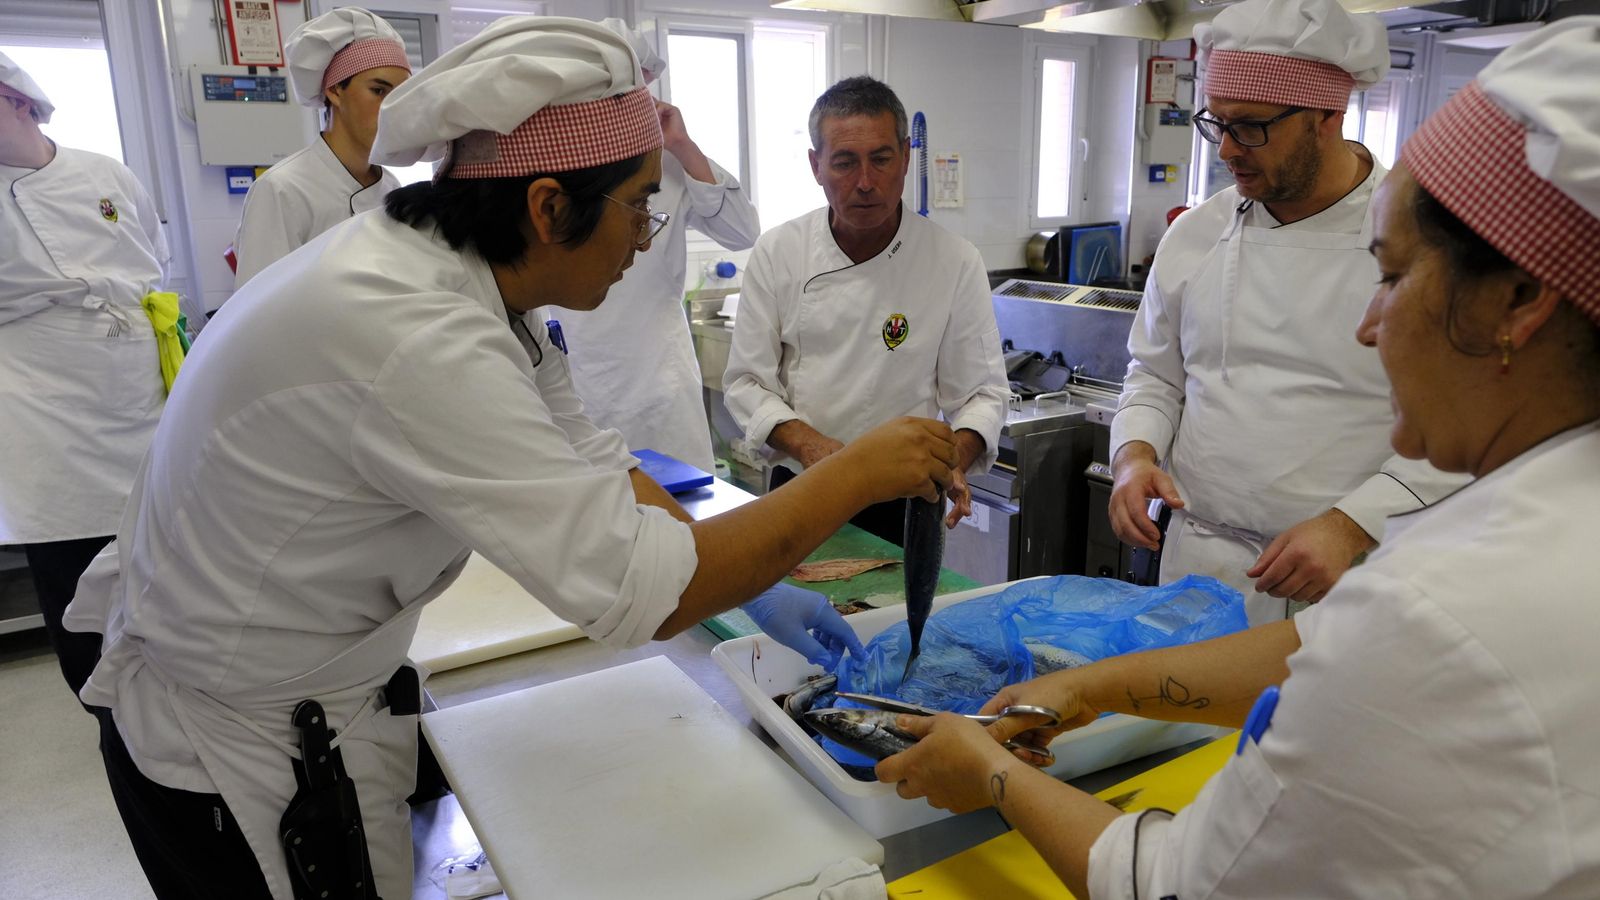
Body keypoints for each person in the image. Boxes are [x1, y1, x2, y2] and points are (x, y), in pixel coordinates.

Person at [63, 18, 949, 898]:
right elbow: (645, 594)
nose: (646, 238)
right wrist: (855, 474)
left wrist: (752, 584)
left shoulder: (466, 282)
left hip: (302, 687)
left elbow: (600, 463)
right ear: (548, 205)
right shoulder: (418, 330)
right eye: (639, 206)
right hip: (236, 753)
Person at [879, 17, 1600, 897]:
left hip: (1322, 580)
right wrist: (1093, 685)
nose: (1369, 328)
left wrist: (992, 775)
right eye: (1215, 123)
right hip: (1208, 562)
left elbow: (1177, 880)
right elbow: (1311, 649)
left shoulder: (1431, 610)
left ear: (1519, 301)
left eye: (1391, 277)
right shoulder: (1544, 521)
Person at [1107, 0, 1465, 624]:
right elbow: (1156, 376)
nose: (1226, 150)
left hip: (1350, 573)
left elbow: (1462, 423)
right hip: (1199, 566)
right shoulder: (1196, 234)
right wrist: (1133, 456)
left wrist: (1354, 523)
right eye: (1217, 123)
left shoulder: (1425, 241)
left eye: (1250, 127)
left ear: (1327, 115)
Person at [723, 75, 1009, 543]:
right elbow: (746, 382)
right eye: (844, 162)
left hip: (907, 498)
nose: (865, 183)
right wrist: (811, 446)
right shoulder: (779, 252)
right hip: (803, 487)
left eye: (881, 159)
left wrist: (952, 458)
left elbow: (982, 394)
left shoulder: (953, 260)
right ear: (816, 166)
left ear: (906, 158)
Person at [0, 50, 168, 700]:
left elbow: (153, 258)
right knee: (86, 634)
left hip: (142, 411)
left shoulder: (106, 174)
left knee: (174, 600)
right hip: (49, 434)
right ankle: (114, 728)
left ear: (19, 102)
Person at [544, 18, 760, 471]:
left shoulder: (668, 162)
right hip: (578, 379)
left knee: (682, 503)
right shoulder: (554, 160)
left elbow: (743, 231)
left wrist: (682, 144)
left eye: (631, 88)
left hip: (661, 385)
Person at [232, 7, 412, 287]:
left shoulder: (390, 187)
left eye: (401, 95)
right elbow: (255, 302)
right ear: (335, 90)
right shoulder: (282, 190)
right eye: (378, 91)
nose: (392, 107)